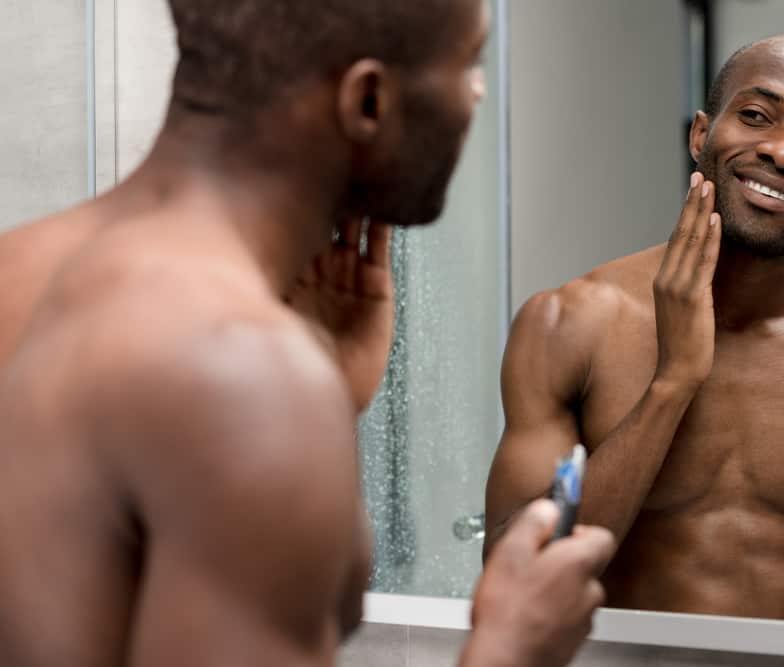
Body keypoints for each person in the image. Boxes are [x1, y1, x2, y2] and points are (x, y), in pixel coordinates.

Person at [0, 1, 615, 665]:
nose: (479, 93)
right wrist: (510, 648)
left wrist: (322, 391)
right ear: (369, 100)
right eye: (469, 63)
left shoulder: (21, 268)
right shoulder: (243, 372)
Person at [484, 32, 784, 630]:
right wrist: (673, 383)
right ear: (700, 135)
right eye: (756, 115)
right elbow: (512, 573)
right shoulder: (568, 324)